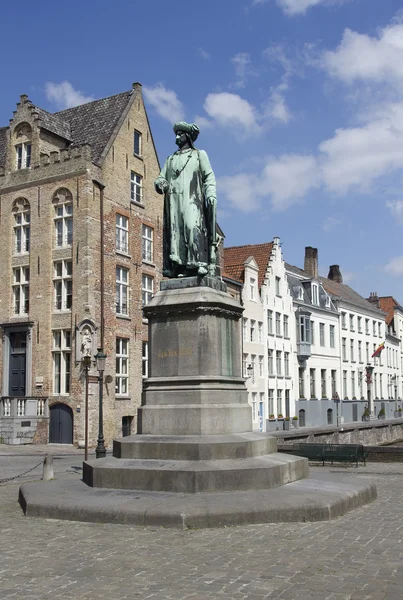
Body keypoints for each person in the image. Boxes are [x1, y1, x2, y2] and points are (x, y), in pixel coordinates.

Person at [154, 122, 217, 277]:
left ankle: (198, 264)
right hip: (174, 202)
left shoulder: (199, 155)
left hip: (192, 199)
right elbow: (161, 178)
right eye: (176, 134)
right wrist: (160, 183)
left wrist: (210, 194)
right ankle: (180, 268)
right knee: (176, 233)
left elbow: (209, 177)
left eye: (180, 134)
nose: (177, 137)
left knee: (192, 227)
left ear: (187, 136)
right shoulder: (170, 160)